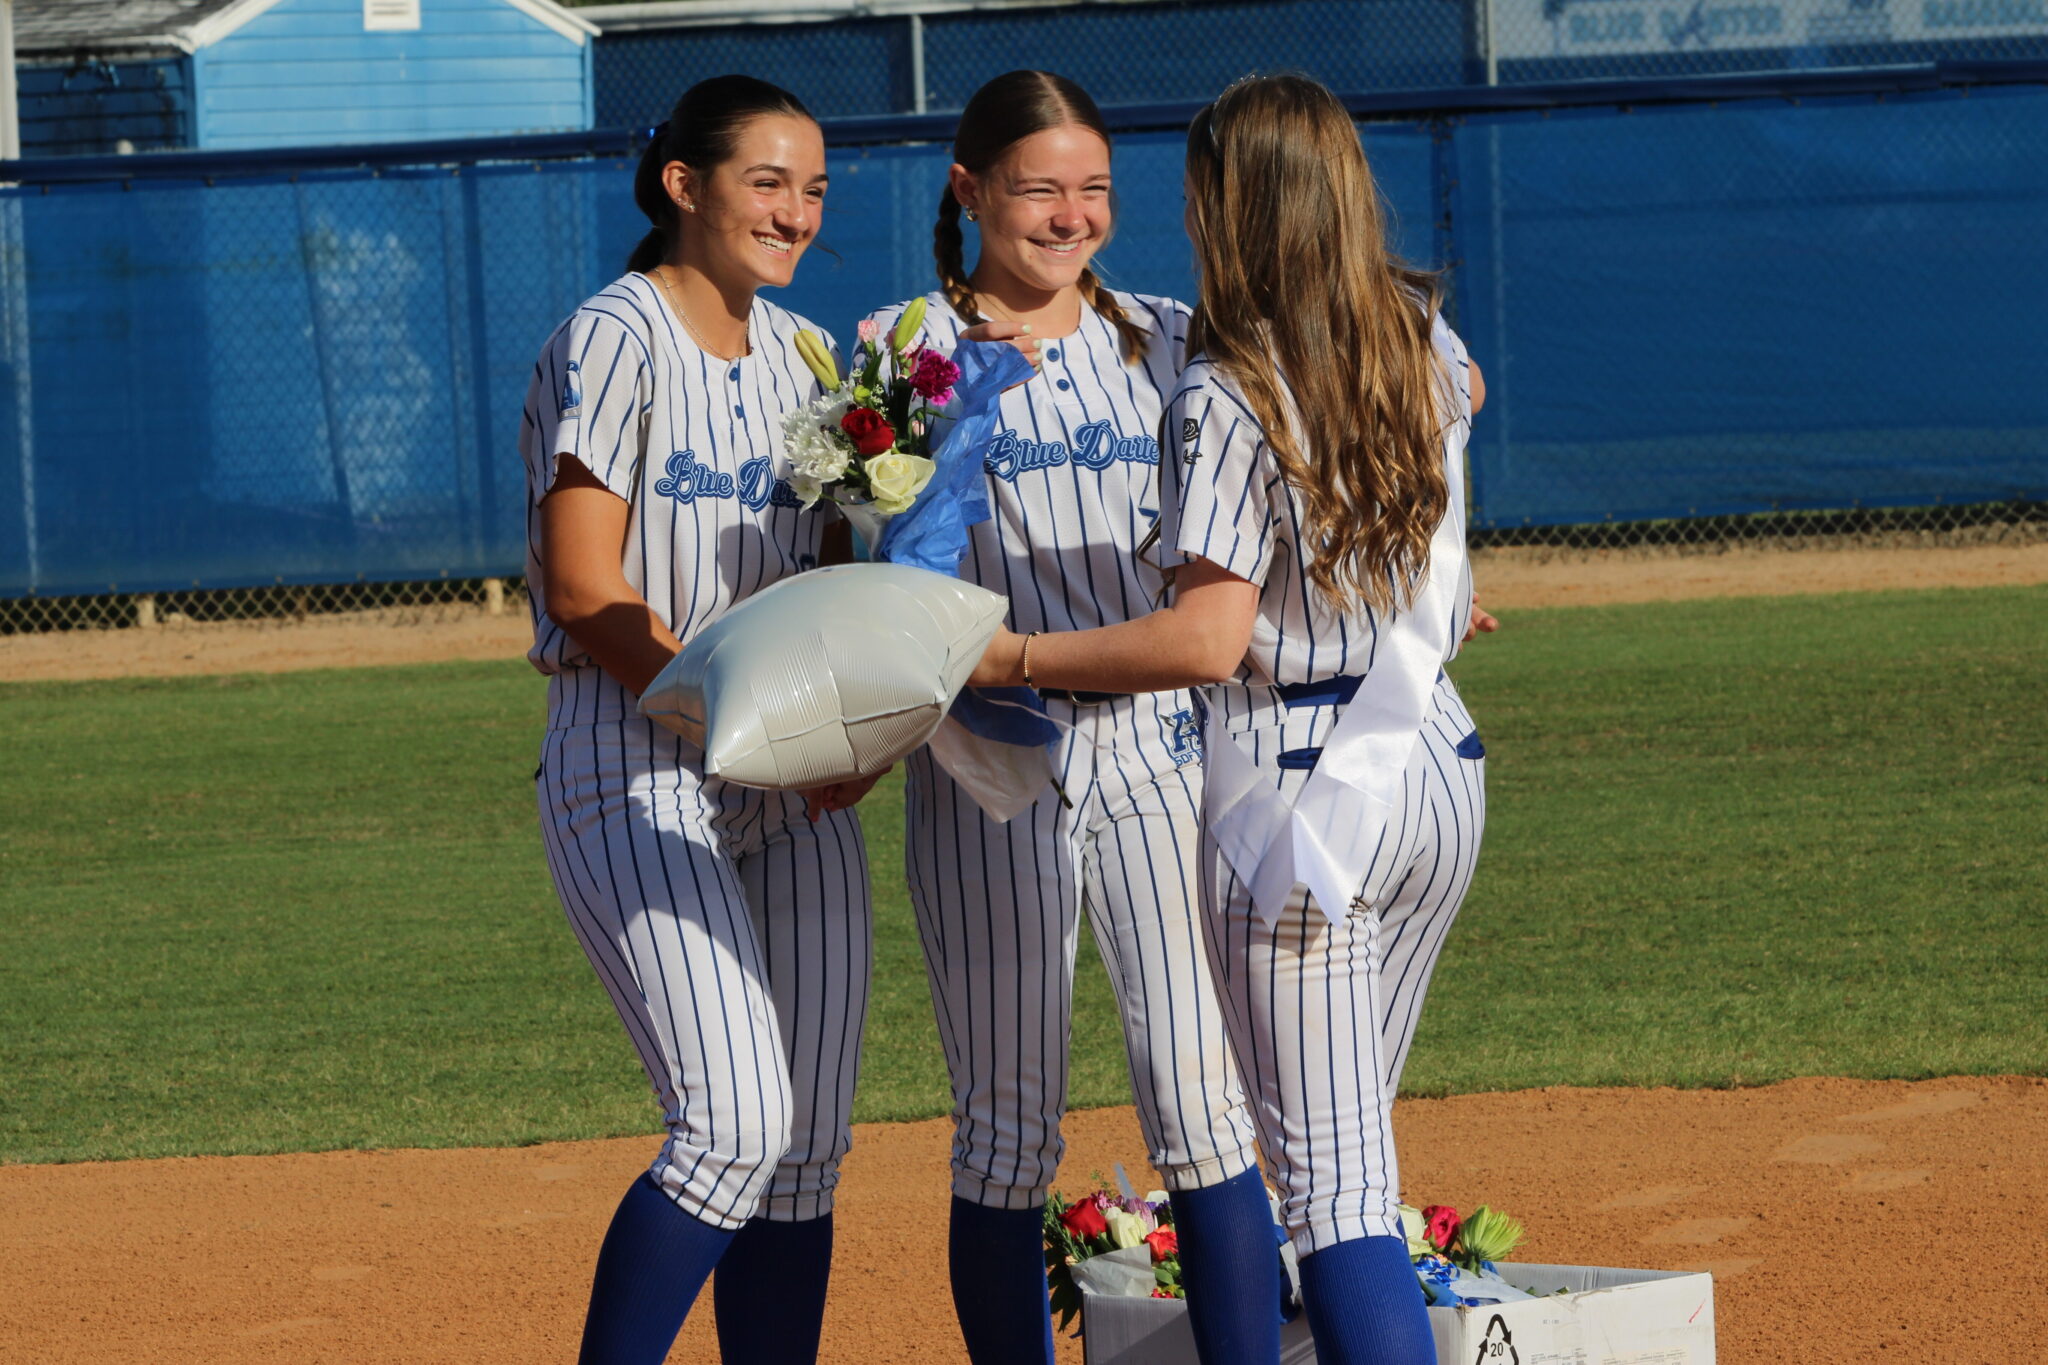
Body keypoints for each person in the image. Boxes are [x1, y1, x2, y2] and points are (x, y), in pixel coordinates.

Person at [969, 73, 1490, 1365]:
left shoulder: (1225, 386)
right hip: (1433, 759)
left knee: (1337, 1195)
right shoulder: (1421, 343)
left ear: (1229, 202)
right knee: (1346, 1140)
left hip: (1304, 794)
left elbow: (1206, 635)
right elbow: (1454, 433)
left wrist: (1017, 650)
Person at [859, 69, 1271, 1365]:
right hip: (988, 765)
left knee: (1205, 1108)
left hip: (1163, 750)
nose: (1070, 213)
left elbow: (1300, 486)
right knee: (1005, 1120)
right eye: (1040, 186)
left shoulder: (1170, 335)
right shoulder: (898, 346)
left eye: (1093, 188)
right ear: (969, 187)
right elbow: (862, 554)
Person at [520, 75, 877, 1365]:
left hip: (785, 781)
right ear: (686, 184)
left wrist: (850, 730)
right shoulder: (618, 336)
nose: (795, 211)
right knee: (731, 1125)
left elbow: (832, 581)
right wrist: (733, 707)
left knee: (806, 1150)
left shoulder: (803, 357)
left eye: (816, 188)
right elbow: (582, 584)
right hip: (633, 764)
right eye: (767, 180)